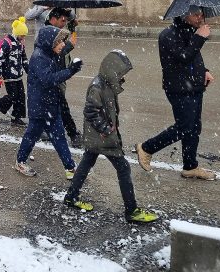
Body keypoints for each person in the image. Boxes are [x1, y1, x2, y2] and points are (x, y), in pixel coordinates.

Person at [64, 50, 158, 223]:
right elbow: (90, 111)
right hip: (102, 137)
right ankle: (131, 210)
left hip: (98, 136)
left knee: (86, 162)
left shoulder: (107, 83)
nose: (122, 76)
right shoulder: (98, 86)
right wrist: (106, 129)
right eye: (120, 73)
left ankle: (71, 196)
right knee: (123, 168)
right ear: (111, 69)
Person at [136, 6, 216, 181]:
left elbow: (194, 58)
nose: (200, 17)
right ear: (184, 14)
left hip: (194, 86)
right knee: (184, 128)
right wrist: (199, 37)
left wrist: (204, 70)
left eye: (201, 14)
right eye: (196, 14)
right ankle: (146, 148)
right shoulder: (168, 35)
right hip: (179, 88)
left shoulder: (190, 31)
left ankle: (190, 166)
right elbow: (184, 57)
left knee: (194, 128)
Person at [15, 26, 83, 178]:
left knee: (59, 137)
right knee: (32, 135)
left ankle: (70, 168)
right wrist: (70, 71)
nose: (62, 44)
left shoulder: (50, 53)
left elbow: (57, 65)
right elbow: (48, 79)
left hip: (51, 104)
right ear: (50, 42)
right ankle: (20, 161)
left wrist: (70, 65)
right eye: (60, 42)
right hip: (39, 106)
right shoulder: (39, 57)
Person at [45, 7, 84, 148]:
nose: (63, 23)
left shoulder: (58, 32)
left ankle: (50, 129)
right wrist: (73, 29)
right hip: (52, 76)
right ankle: (72, 133)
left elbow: (68, 48)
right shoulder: (49, 33)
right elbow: (70, 45)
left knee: (56, 106)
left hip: (59, 74)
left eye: (66, 21)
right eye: (62, 20)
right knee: (61, 106)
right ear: (53, 19)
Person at [0, 16, 29, 126]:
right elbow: (0, 59)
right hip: (8, 75)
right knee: (12, 96)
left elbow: (24, 59)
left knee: (21, 96)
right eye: (22, 34)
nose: (23, 37)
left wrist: (29, 71)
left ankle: (16, 117)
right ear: (17, 33)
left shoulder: (20, 44)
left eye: (24, 35)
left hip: (18, 75)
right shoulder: (7, 43)